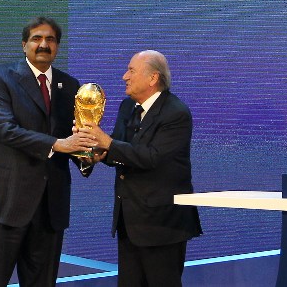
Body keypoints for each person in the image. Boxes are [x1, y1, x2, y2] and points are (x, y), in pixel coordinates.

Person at [0, 16, 97, 287]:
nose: (43, 45)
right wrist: (58, 145)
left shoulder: (70, 86)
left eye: (50, 39)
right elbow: (4, 129)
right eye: (36, 38)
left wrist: (88, 156)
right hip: (4, 203)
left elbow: (73, 136)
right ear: (24, 44)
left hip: (50, 207)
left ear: (58, 46)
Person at [78, 50, 202, 287]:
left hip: (162, 224)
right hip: (130, 221)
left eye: (131, 71)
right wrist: (96, 153)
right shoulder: (128, 107)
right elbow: (120, 151)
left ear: (153, 78)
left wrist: (109, 144)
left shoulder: (176, 113)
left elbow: (153, 157)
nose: (125, 76)